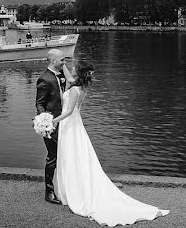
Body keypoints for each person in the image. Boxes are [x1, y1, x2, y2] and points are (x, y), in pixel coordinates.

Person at [51, 61, 169, 226]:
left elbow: (69, 111)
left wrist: (52, 121)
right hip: (76, 125)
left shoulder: (73, 91)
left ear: (78, 72)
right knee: (78, 156)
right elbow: (70, 79)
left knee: (71, 157)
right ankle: (75, 187)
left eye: (73, 68)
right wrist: (62, 64)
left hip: (69, 125)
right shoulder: (82, 88)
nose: (71, 69)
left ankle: (73, 191)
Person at [35, 49, 69, 204]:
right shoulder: (44, 79)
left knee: (64, 155)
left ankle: (64, 187)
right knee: (52, 157)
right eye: (62, 60)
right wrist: (44, 121)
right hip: (51, 124)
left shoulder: (61, 75)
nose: (64, 62)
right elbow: (40, 103)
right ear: (54, 61)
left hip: (64, 121)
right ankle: (49, 192)